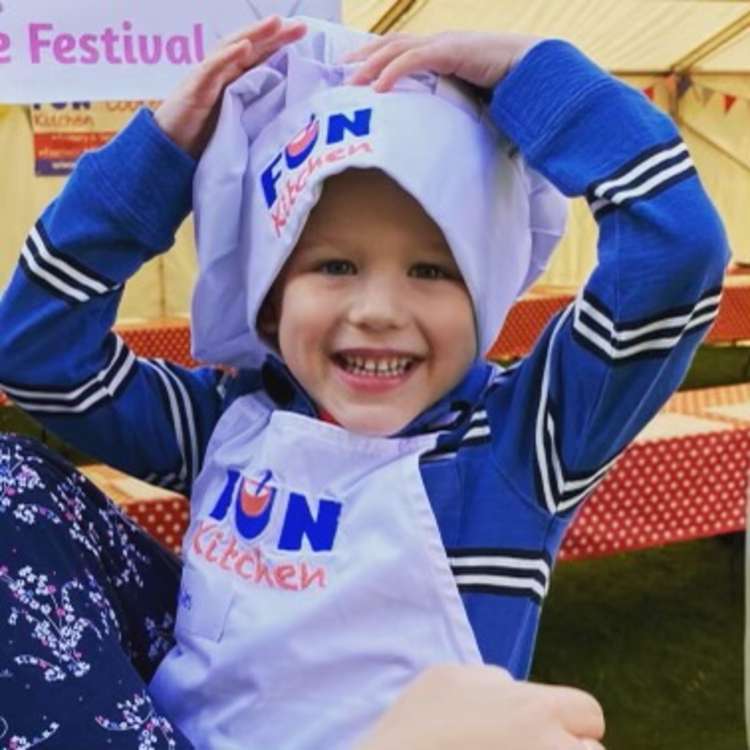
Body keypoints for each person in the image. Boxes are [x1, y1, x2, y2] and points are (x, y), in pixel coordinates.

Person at [0, 11, 727, 750]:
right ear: (272, 296)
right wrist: (159, 160)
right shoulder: (230, 421)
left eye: (433, 271)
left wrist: (534, 74)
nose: (378, 310)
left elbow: (676, 251)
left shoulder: (515, 447)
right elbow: (36, 353)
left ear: (485, 299)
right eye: (335, 266)